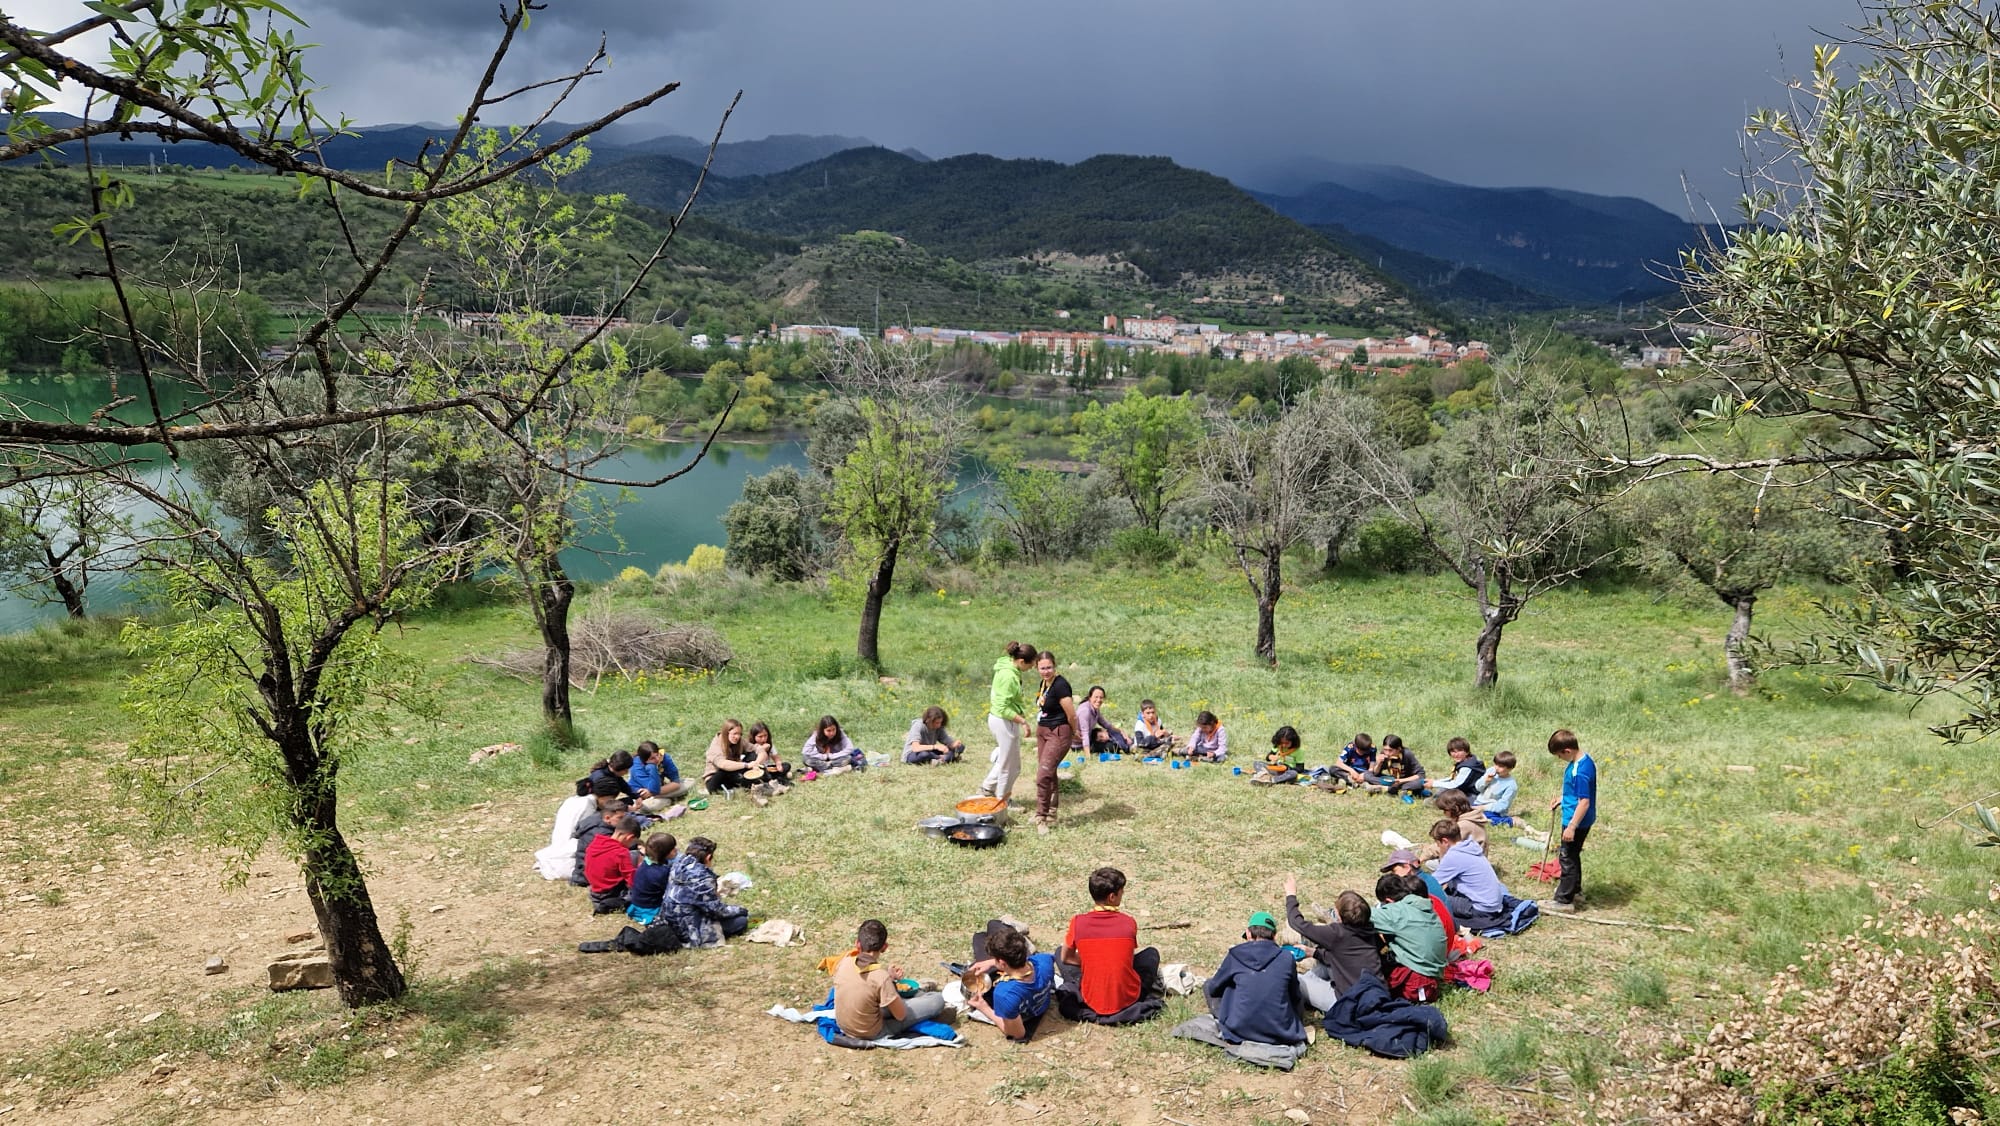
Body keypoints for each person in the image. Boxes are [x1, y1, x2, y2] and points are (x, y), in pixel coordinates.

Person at [1056, 867, 1163, 1022]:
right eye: (1122, 891)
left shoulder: (1078, 922)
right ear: (1112, 897)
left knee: (1059, 952)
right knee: (1151, 954)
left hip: (1090, 999)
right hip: (1127, 998)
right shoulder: (1128, 922)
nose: (1123, 894)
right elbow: (1126, 960)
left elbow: (1065, 958)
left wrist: (1090, 962)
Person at [832, 920, 950, 1040]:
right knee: (937, 999)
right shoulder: (880, 977)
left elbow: (866, 985)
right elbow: (900, 1015)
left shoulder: (844, 962)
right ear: (884, 947)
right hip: (872, 1032)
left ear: (857, 944)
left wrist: (890, 979)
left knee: (883, 998)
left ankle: (917, 993)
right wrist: (889, 982)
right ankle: (921, 993)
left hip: (845, 1025)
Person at [1203, 911, 1307, 1046]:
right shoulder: (1287, 958)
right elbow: (1295, 996)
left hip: (1239, 1030)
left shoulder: (1235, 955)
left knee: (1210, 984)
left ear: (1248, 934)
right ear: (1274, 936)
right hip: (1281, 1031)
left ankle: (1231, 1018)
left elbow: (1213, 988)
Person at [1283, 875, 1384, 1011]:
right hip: (1377, 997)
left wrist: (1291, 895)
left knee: (1296, 980)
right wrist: (1313, 953)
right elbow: (1347, 958)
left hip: (1349, 1005)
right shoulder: (1370, 931)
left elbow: (1298, 923)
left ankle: (1306, 990)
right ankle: (1312, 984)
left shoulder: (1337, 934)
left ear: (1340, 917)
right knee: (1323, 965)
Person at [966, 924, 1057, 1041]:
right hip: (1040, 1002)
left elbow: (1017, 1034)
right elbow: (1041, 960)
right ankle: (1002, 926)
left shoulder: (1004, 993)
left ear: (1003, 963)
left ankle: (996, 928)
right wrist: (993, 962)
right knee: (992, 924)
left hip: (1023, 1013)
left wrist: (983, 1007)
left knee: (978, 937)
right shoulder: (1044, 960)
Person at [1371, 872, 1449, 1002]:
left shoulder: (1397, 912)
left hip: (1416, 986)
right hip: (1431, 979)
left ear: (1389, 901)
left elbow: (1360, 914)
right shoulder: (1423, 906)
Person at [976, 641, 1036, 803]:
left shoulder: (1007, 664)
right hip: (1003, 720)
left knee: (1009, 761)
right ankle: (1003, 799)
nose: (1030, 669)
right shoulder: (1009, 676)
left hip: (1002, 719)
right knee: (1009, 765)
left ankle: (987, 788)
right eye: (1030, 666)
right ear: (1021, 661)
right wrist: (1022, 721)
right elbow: (1002, 707)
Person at [663, 836, 750, 947]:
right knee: (741, 921)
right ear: (708, 858)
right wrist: (741, 910)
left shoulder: (679, 864)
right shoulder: (702, 878)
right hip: (690, 930)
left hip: (671, 921)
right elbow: (717, 911)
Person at [1428, 819, 1510, 932]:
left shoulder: (1454, 856)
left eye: (1438, 844)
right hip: (1495, 905)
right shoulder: (1470, 847)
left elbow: (1431, 884)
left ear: (1445, 841)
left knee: (1435, 900)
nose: (1438, 848)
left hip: (1481, 909)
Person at [1547, 728, 1596, 913]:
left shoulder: (1579, 771)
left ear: (1567, 751)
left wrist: (1572, 827)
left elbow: (1584, 802)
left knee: (1566, 857)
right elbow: (1577, 793)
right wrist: (1562, 798)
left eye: (1560, 756)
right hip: (1580, 816)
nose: (1560, 759)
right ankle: (1575, 890)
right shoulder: (1585, 760)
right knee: (1573, 855)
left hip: (1575, 820)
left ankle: (1564, 900)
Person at [1030, 651, 1080, 833]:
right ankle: (1051, 812)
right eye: (1042, 668)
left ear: (1055, 666)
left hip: (1058, 733)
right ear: (1037, 668)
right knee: (1049, 772)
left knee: (1043, 775)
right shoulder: (1044, 683)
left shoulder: (1061, 685)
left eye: (1049, 667)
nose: (1046, 671)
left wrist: (1074, 732)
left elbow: (1071, 714)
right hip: (1042, 731)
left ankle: (1041, 817)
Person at [569, 784, 629, 887]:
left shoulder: (595, 819)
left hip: (583, 869)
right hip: (587, 873)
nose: (623, 821)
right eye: (620, 818)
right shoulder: (602, 833)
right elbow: (617, 849)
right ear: (607, 818)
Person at [584, 820, 639, 915]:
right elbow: (631, 880)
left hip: (595, 891)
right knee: (635, 856)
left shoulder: (595, 843)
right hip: (611, 892)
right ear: (629, 837)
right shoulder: (620, 853)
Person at [1417, 790, 1490, 862]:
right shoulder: (1471, 817)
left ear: (1455, 808)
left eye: (1445, 810)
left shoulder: (1463, 825)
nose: (1444, 813)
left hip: (1471, 862)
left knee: (1431, 863)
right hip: (1473, 857)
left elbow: (1446, 844)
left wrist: (1423, 856)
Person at [627, 832, 676, 925]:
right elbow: (671, 891)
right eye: (673, 849)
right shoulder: (661, 872)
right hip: (650, 907)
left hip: (637, 903)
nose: (675, 850)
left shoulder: (646, 862)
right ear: (666, 853)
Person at [703, 719, 758, 793]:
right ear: (726, 732)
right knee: (726, 769)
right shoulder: (716, 746)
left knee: (752, 755)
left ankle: (750, 781)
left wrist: (756, 762)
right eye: (735, 734)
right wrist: (747, 765)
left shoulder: (739, 741)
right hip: (715, 779)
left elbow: (757, 749)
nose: (737, 737)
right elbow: (723, 764)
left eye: (739, 734)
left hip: (732, 773)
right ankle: (747, 782)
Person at [1076, 686, 1132, 755]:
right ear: (1090, 697)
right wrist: (1088, 755)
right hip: (1080, 744)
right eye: (1096, 697)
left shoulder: (1094, 708)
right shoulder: (1085, 711)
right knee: (1113, 747)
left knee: (1115, 737)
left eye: (1101, 697)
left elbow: (1106, 724)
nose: (1099, 700)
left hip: (1090, 739)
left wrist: (1122, 732)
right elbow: (1085, 734)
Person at [1473, 751, 1521, 826]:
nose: (1496, 768)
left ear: (1510, 768)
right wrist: (1485, 781)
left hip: (1493, 810)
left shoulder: (1511, 785)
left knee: (1486, 820)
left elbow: (1503, 805)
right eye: (1496, 764)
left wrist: (1483, 808)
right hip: (1478, 802)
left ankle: (1511, 821)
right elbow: (1478, 788)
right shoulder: (1491, 771)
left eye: (1501, 766)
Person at [745, 722, 793, 792]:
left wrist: (778, 764)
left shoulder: (769, 744)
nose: (763, 739)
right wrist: (762, 749)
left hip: (768, 768)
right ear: (753, 736)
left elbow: (776, 757)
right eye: (760, 736)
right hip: (756, 770)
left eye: (765, 735)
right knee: (763, 774)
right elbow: (752, 759)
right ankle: (776, 780)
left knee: (786, 765)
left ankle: (773, 778)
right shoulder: (749, 745)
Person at [1438, 737, 1486, 801]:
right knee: (1442, 789)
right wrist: (1436, 782)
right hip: (1466, 790)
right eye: (1453, 751)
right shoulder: (1469, 760)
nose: (1456, 754)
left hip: (1474, 794)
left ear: (1466, 752)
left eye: (1459, 751)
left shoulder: (1467, 767)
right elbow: (1453, 778)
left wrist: (1434, 784)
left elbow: (1455, 784)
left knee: (1446, 798)